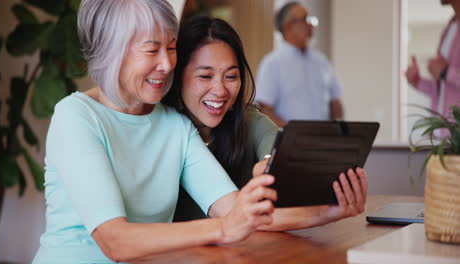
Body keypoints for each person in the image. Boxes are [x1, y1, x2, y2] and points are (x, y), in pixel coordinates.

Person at [33, 1, 364, 263]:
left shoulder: (173, 125)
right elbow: (114, 241)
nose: (167, 64)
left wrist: (331, 210)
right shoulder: (76, 116)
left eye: (172, 47)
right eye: (152, 50)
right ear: (111, 51)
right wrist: (225, 228)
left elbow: (235, 211)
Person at [163, 15, 368, 226]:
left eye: (231, 77)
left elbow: (274, 150)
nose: (220, 90)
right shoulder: (170, 129)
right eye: (205, 76)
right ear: (177, 79)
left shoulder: (250, 120)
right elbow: (234, 214)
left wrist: (273, 166)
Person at [255, 2, 344, 127]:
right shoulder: (272, 63)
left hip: (324, 141)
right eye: (305, 19)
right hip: (292, 142)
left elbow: (335, 102)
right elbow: (264, 110)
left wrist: (337, 130)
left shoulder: (321, 61)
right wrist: (292, 132)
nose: (311, 25)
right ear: (288, 27)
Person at [405, 0, 460, 119]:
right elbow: (443, 91)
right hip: (440, 132)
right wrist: (418, 81)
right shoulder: (450, 27)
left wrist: (446, 72)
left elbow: (447, 74)